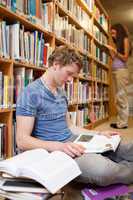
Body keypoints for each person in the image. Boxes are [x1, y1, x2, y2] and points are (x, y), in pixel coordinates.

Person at [16, 45, 133, 186]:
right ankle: (120, 167)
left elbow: (70, 126)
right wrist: (59, 146)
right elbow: (22, 140)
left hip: (75, 141)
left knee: (128, 148)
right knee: (104, 171)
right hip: (56, 151)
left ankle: (118, 163)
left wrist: (99, 133)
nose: (71, 80)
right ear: (56, 65)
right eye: (69, 73)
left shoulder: (61, 91)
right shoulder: (30, 93)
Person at [109, 23, 130, 129]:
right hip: (115, 71)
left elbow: (125, 58)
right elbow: (115, 59)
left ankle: (123, 123)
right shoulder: (117, 43)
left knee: (121, 97)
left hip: (121, 72)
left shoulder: (125, 39)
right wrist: (111, 52)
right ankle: (120, 122)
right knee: (117, 98)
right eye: (111, 33)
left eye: (113, 33)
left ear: (119, 31)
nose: (112, 35)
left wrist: (115, 52)